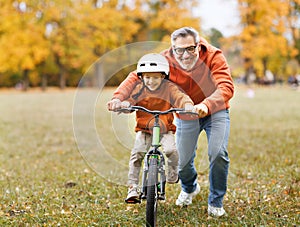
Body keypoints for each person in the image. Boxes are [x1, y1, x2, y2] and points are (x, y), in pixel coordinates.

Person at [107, 27, 234, 217]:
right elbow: (136, 76)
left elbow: (226, 86)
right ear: (172, 48)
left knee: (218, 153)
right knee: (182, 162)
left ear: (198, 46)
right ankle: (190, 188)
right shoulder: (165, 58)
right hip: (184, 114)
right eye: (178, 50)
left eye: (189, 49)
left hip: (214, 111)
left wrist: (206, 105)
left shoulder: (214, 56)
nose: (184, 55)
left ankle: (216, 201)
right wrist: (118, 98)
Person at [108, 53, 194, 204]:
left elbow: (180, 97)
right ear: (141, 77)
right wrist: (125, 104)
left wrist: (187, 105)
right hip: (144, 129)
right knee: (137, 154)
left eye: (155, 77)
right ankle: (132, 187)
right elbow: (131, 99)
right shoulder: (140, 88)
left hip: (165, 128)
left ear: (163, 76)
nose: (151, 81)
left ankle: (173, 171)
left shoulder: (169, 88)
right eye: (147, 77)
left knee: (170, 150)